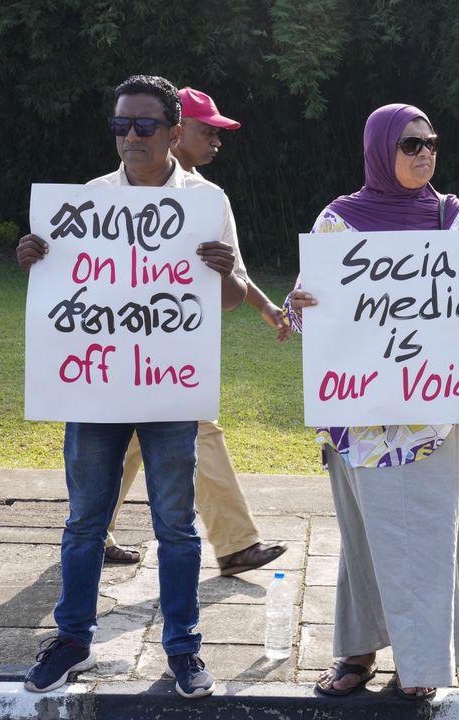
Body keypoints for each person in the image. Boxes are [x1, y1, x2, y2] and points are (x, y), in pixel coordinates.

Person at [286, 103, 459, 700]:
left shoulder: (454, 218)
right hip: (361, 419)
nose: (424, 152)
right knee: (363, 540)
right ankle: (358, 649)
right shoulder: (339, 222)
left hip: (432, 419)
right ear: (380, 149)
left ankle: (420, 663)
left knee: (425, 540)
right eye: (410, 144)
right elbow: (305, 319)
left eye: (431, 142)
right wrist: (298, 307)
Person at [14, 75, 247, 698]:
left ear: (174, 132)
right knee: (84, 521)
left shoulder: (206, 201)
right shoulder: (88, 201)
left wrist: (224, 273)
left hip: (169, 386)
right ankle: (72, 639)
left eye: (144, 125)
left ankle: (183, 647)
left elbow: (228, 300)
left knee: (176, 524)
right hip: (97, 386)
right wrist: (34, 261)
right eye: (121, 125)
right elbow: (62, 291)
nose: (130, 137)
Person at [102, 87, 287, 577]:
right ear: (178, 133)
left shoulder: (207, 200)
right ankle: (234, 544)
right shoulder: (103, 194)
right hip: (115, 349)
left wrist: (263, 305)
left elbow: (232, 275)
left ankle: (96, 531)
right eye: (210, 131)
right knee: (148, 435)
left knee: (139, 439)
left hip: (176, 352)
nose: (216, 141)